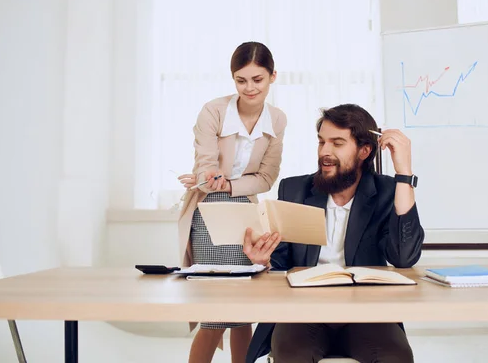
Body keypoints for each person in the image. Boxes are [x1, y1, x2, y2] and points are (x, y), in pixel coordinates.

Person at [242, 104, 425, 363]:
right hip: (304, 312)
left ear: (364, 151)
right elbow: (280, 262)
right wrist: (263, 260)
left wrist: (404, 175)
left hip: (366, 312)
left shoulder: (387, 191)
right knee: (292, 355)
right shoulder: (294, 190)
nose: (325, 152)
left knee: (395, 356)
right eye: (321, 142)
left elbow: (404, 257)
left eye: (337, 143)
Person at [176, 41, 287, 363]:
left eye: (257, 79)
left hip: (246, 213)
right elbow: (205, 163)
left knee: (242, 313)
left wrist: (231, 183)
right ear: (233, 79)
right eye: (241, 80)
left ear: (272, 77)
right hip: (209, 209)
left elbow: (267, 178)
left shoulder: (277, 120)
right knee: (212, 314)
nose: (249, 87)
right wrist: (211, 177)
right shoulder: (213, 111)